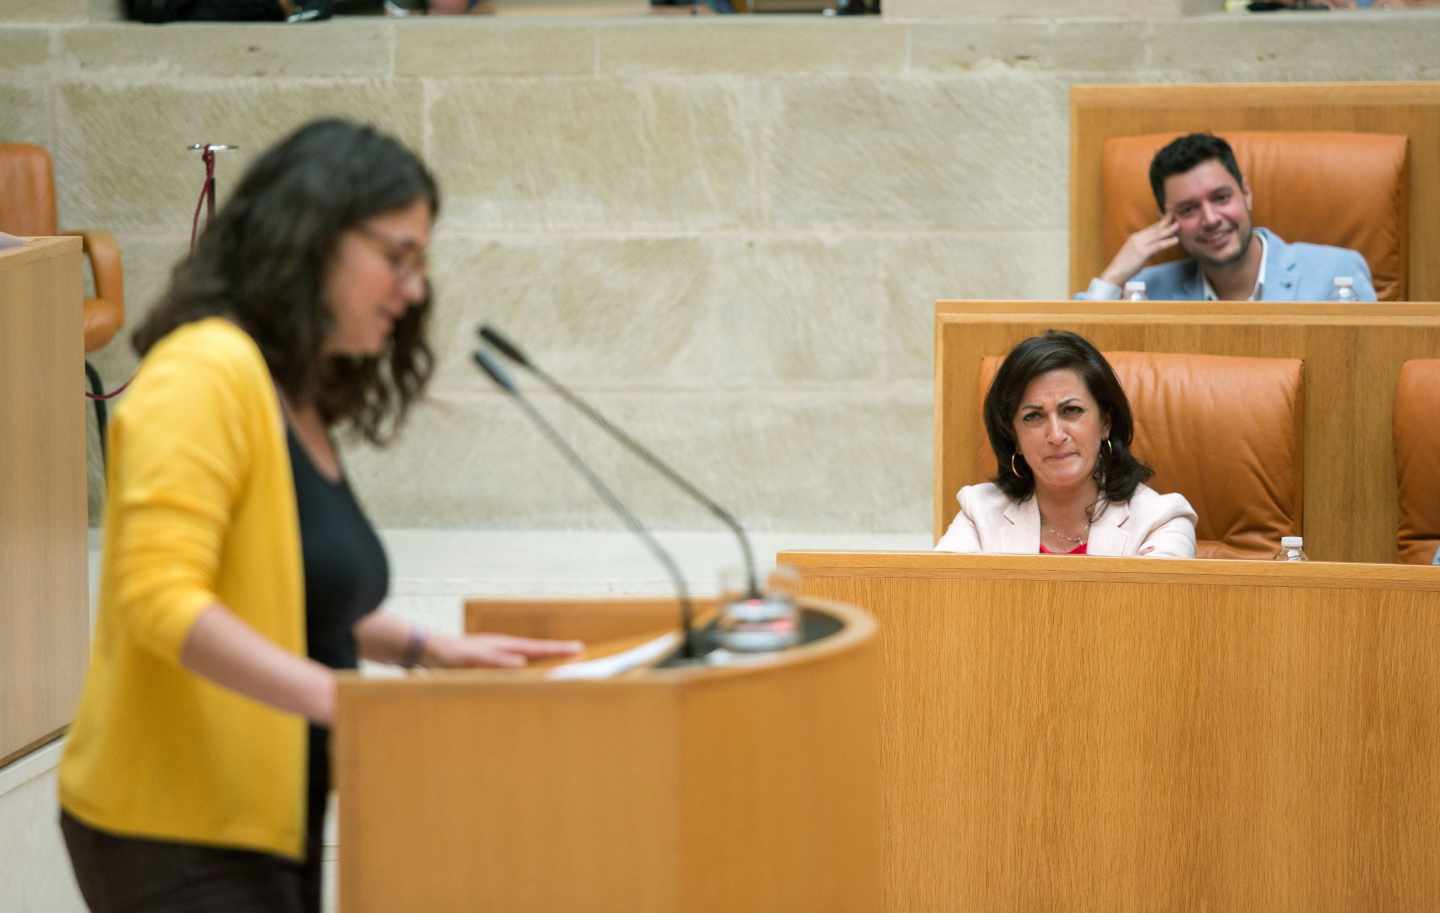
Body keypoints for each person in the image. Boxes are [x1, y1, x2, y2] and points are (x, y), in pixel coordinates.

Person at [57, 118, 583, 913]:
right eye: (397, 257)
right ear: (312, 235)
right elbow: (158, 600)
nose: (413, 291)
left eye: (421, 263)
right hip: (170, 823)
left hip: (265, 810)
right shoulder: (203, 370)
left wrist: (423, 647)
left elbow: (284, 581)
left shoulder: (287, 391)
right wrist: (350, 702)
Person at [935, 330, 1197, 557]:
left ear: (1105, 422)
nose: (1056, 435)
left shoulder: (1160, 521)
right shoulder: (979, 513)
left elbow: (1153, 614)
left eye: (1071, 410)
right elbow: (944, 602)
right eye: (1033, 416)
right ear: (1013, 436)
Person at [1078, 132, 1377, 302]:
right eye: (1188, 209)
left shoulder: (1337, 274)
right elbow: (1068, 364)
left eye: (1221, 198)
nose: (1210, 219)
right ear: (1167, 221)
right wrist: (1113, 275)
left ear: (1246, 193)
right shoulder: (1146, 292)